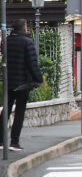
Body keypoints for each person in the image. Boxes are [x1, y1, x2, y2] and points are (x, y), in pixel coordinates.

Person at [1, 20, 43, 151]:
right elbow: (32, 63)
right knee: (19, 112)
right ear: (24, 28)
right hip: (23, 82)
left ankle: (1, 141)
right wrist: (38, 79)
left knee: (6, 110)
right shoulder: (27, 42)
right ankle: (14, 142)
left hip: (9, 80)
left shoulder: (6, 41)